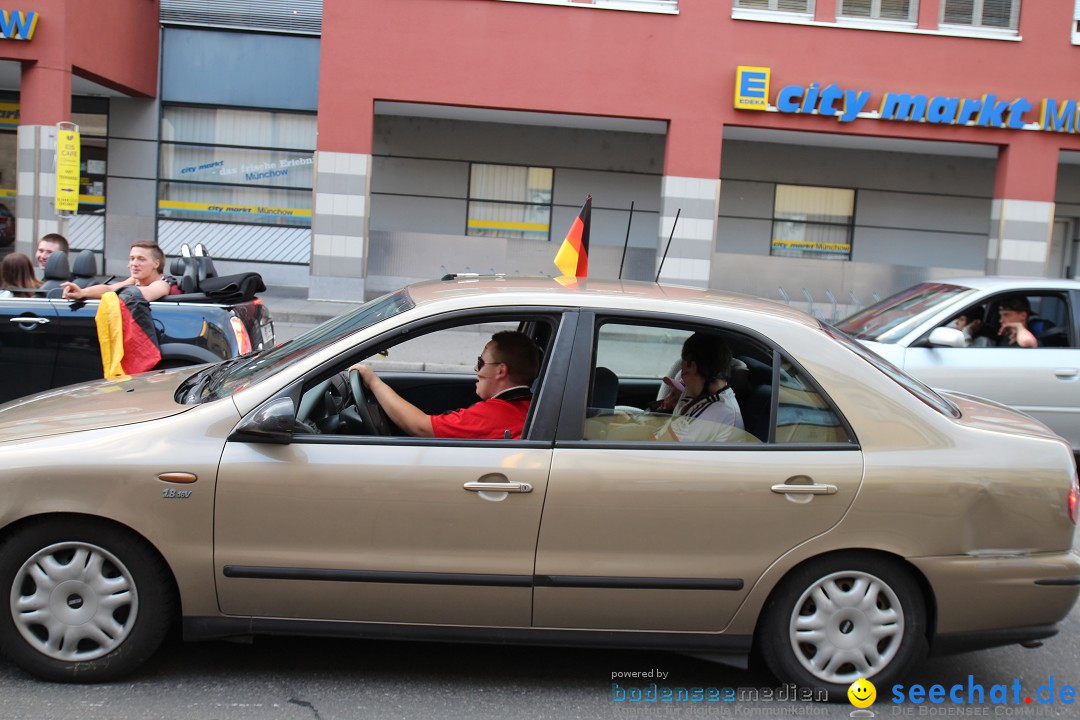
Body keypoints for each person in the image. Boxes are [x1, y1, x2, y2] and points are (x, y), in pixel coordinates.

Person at [349, 330, 540, 439]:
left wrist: (373, 381)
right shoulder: (530, 407)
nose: (475, 369)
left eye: (481, 363)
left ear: (501, 371)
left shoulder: (494, 414)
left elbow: (420, 427)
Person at [657, 332, 744, 443]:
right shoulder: (707, 400)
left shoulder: (717, 410)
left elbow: (663, 445)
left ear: (692, 366)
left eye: (683, 373)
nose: (684, 382)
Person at [60, 241, 173, 302]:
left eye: (141, 259)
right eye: (132, 258)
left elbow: (139, 295)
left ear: (156, 264)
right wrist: (82, 292)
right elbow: (110, 289)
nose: (134, 263)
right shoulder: (135, 281)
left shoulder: (162, 284)